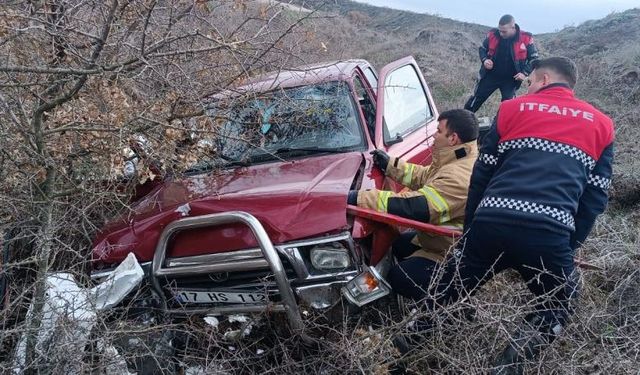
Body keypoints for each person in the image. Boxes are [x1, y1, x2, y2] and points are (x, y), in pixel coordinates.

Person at [426, 57, 614, 374]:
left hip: (491, 221)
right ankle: (507, 369)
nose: (527, 85)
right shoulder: (602, 125)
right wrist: (569, 244)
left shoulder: (512, 109)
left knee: (450, 287)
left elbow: (481, 174)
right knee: (561, 302)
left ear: (541, 79)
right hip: (549, 233)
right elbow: (595, 197)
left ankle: (406, 345)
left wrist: (471, 231)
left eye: (529, 82)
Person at [347, 109, 479, 300]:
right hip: (440, 242)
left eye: (439, 131)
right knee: (399, 244)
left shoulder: (460, 176)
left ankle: (441, 309)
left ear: (453, 138)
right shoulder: (458, 157)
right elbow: (425, 176)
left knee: (400, 277)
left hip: (452, 254)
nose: (434, 134)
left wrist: (359, 198)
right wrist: (390, 164)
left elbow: (417, 207)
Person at [464, 14, 539, 113]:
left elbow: (534, 58)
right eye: (500, 30)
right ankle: (461, 122)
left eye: (504, 31)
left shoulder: (525, 38)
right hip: (490, 75)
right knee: (475, 100)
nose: (501, 33)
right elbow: (482, 48)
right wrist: (485, 60)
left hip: (511, 80)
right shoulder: (493, 34)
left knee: (508, 107)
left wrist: (524, 73)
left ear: (513, 27)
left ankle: (499, 126)